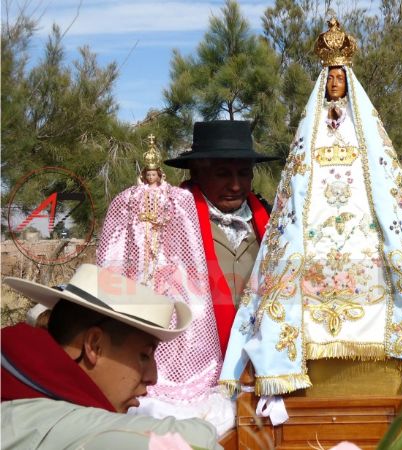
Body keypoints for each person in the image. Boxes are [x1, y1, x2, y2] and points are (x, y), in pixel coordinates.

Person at [219, 17, 402, 404]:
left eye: (339, 79)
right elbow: (297, 181)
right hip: (316, 223)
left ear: (349, 82)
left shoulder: (365, 130)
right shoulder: (311, 130)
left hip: (362, 219)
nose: (334, 85)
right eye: (329, 79)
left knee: (389, 270)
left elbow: (381, 178)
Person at [97, 135, 234, 434]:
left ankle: (182, 374)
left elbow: (188, 241)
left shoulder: (178, 200)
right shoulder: (128, 199)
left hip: (173, 266)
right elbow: (118, 240)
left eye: (155, 173)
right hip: (142, 267)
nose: (151, 177)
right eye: (148, 173)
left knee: (184, 318)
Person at [1, 264, 222, 450]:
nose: (153, 377)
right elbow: (197, 442)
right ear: (94, 346)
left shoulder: (17, 389)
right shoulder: (68, 427)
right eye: (144, 355)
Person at [163, 120, 277, 353]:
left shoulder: (273, 225)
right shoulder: (172, 225)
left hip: (260, 360)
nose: (235, 185)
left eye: (244, 174)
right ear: (196, 173)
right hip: (194, 359)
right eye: (223, 174)